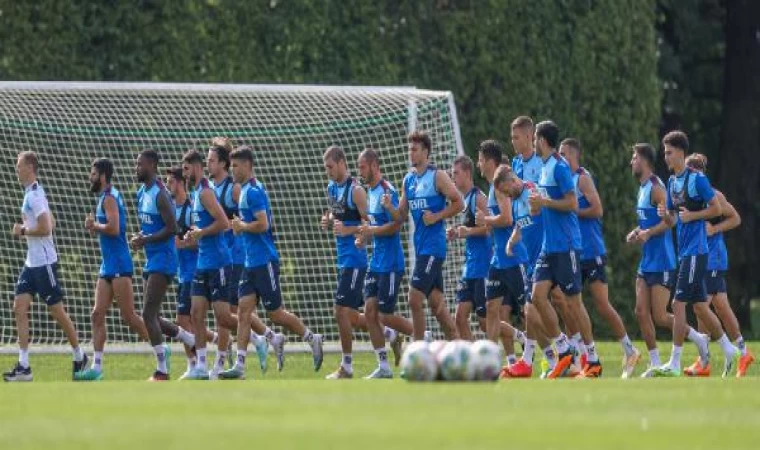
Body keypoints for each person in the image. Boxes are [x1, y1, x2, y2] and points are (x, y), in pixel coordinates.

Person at [219, 146, 324, 379]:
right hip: (250, 263)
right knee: (243, 312)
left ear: (247, 165)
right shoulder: (245, 189)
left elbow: (263, 224)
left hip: (264, 261)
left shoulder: (253, 191)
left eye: (235, 166)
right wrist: (240, 227)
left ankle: (311, 338)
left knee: (275, 314)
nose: (232, 170)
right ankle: (240, 366)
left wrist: (241, 226)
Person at [650, 131, 738, 377]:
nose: (666, 157)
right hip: (684, 252)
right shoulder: (671, 182)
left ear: (680, 152)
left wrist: (694, 216)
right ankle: (729, 349)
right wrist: (665, 215)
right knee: (700, 307)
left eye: (669, 152)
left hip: (697, 251)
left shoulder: (697, 179)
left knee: (677, 304)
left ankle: (674, 362)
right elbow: (672, 219)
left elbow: (716, 208)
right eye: (665, 152)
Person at [558, 139, 640, 378]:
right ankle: (579, 359)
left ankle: (630, 350)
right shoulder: (564, 180)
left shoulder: (582, 178)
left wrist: (573, 210)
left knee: (602, 305)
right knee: (569, 304)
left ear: (574, 155)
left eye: (563, 153)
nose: (560, 157)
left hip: (591, 251)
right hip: (573, 251)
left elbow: (598, 209)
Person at [626, 144, 710, 374]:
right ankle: (654, 362)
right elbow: (649, 221)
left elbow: (670, 221)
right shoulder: (642, 188)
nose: (632, 162)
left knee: (661, 316)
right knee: (640, 312)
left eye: (634, 158)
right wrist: (637, 231)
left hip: (663, 260)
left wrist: (648, 233)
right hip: (647, 260)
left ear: (644, 161)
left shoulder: (657, 188)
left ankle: (698, 338)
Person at [4, 151, 86, 382]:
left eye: (19, 165)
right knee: (19, 307)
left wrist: (22, 231)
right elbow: (52, 222)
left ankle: (79, 355)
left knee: (56, 311)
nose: (16, 169)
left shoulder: (34, 195)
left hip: (44, 263)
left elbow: (47, 228)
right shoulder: (33, 192)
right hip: (31, 263)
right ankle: (24, 366)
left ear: (30, 167)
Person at [75, 158, 148, 381]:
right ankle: (97, 368)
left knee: (129, 316)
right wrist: (94, 227)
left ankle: (160, 347)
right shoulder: (103, 198)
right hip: (107, 265)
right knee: (97, 314)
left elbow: (115, 229)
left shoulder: (109, 198)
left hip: (119, 264)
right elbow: (107, 228)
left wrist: (94, 226)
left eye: (93, 174)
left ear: (103, 176)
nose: (90, 177)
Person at [386, 131, 463, 341]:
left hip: (433, 248)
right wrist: (389, 207)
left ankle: (419, 349)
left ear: (426, 152)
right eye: (409, 149)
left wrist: (437, 216)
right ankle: (460, 349)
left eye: (415, 149)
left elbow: (459, 203)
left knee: (414, 299)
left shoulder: (438, 176)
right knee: (437, 307)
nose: (410, 153)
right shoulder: (408, 180)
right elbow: (401, 216)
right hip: (421, 249)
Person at [682, 153, 754, 377]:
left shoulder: (714, 195)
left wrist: (714, 229)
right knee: (721, 307)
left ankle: (704, 361)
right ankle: (743, 353)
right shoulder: (687, 196)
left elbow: (735, 218)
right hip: (701, 256)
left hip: (713, 258)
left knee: (700, 306)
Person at [356, 148, 414, 378]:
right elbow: (375, 227)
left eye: (362, 167)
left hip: (391, 263)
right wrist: (365, 237)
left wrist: (372, 231)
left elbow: (396, 225)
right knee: (369, 312)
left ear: (373, 166)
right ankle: (383, 366)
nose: (360, 171)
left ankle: (422, 335)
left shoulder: (386, 190)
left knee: (384, 315)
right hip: (376, 262)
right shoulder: (369, 192)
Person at [181, 149, 237, 380]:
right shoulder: (195, 193)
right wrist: (193, 235)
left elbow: (224, 223)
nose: (184, 174)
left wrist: (201, 232)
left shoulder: (205, 192)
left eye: (186, 169)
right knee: (195, 314)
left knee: (223, 317)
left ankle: (259, 337)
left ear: (195, 168)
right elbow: (201, 228)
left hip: (219, 262)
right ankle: (201, 366)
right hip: (202, 262)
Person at [473, 142, 528, 367]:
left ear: (488, 162)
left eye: (480, 160)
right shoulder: (492, 186)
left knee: (529, 310)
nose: (478, 164)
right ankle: (491, 361)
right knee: (492, 309)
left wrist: (485, 219)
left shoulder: (499, 186)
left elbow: (507, 219)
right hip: (499, 260)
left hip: (513, 256)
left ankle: (554, 351)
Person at [321, 146, 369, 379]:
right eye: (326, 168)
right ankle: (389, 333)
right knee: (351, 316)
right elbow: (336, 214)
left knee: (339, 311)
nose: (328, 171)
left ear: (341, 163)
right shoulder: (331, 188)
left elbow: (370, 225)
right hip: (342, 260)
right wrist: (328, 220)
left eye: (330, 167)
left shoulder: (356, 191)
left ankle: (346, 366)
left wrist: (349, 230)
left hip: (356, 259)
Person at [130, 149, 178, 381]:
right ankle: (188, 338)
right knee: (154, 317)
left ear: (152, 166)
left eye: (140, 164)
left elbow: (173, 228)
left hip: (164, 259)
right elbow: (151, 226)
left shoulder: (161, 194)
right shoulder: (141, 193)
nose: (137, 168)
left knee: (147, 314)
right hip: (152, 259)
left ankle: (162, 370)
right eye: (136, 164)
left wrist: (146, 240)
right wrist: (140, 237)